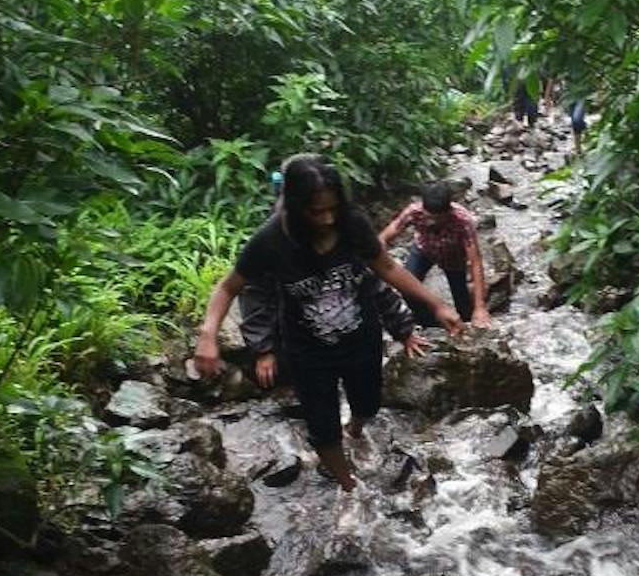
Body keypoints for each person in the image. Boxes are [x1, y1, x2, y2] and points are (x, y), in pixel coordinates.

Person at [193, 154, 463, 492]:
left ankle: (356, 427)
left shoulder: (352, 224)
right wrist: (209, 335)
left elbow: (387, 268)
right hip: (307, 350)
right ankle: (348, 486)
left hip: (361, 339)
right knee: (322, 426)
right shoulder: (272, 240)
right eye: (315, 211)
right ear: (293, 205)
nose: (326, 219)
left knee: (367, 404)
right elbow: (229, 287)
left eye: (332, 208)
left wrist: (437, 305)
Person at [378, 182, 492, 330]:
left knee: (463, 305)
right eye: (429, 217)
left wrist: (480, 307)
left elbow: (475, 261)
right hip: (423, 250)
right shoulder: (414, 212)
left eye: (439, 219)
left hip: (453, 258)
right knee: (408, 288)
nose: (432, 222)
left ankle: (464, 324)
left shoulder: (463, 220)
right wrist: (377, 254)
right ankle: (428, 324)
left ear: (449, 211)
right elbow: (388, 233)